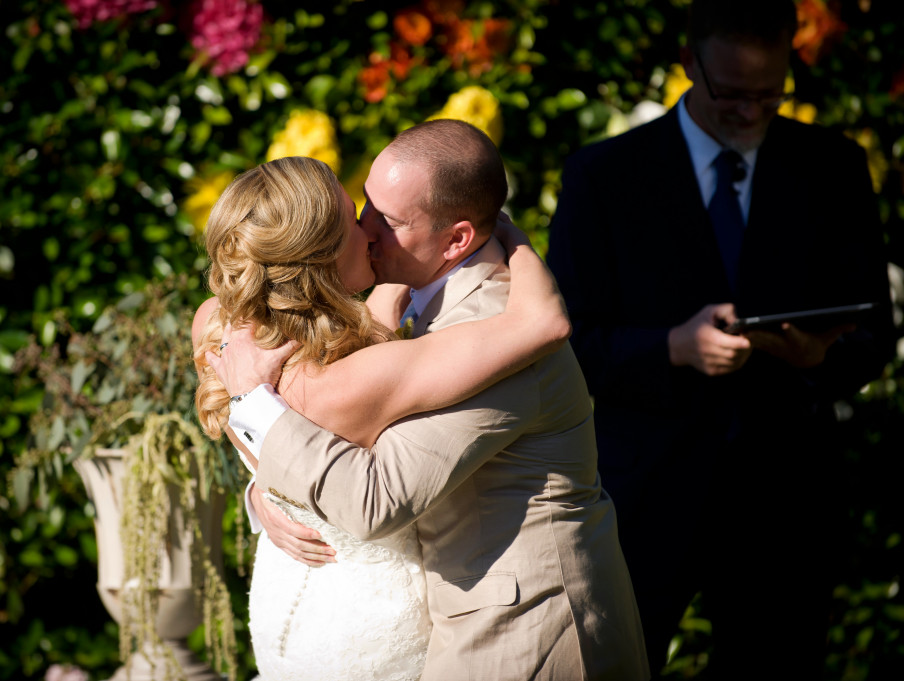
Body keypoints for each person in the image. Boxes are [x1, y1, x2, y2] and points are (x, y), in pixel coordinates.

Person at [211, 120, 650, 681]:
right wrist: (269, 493)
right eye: (366, 205)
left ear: (456, 240)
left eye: (390, 221)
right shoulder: (393, 296)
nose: (366, 229)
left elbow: (375, 500)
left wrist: (253, 403)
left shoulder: (495, 327)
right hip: (399, 610)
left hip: (525, 626)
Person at [545, 0, 895, 677]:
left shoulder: (832, 166)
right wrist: (671, 348)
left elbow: (874, 328)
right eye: (731, 93)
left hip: (786, 498)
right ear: (689, 63)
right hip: (644, 495)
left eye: (769, 94)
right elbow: (567, 343)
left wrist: (819, 358)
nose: (749, 112)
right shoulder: (605, 175)